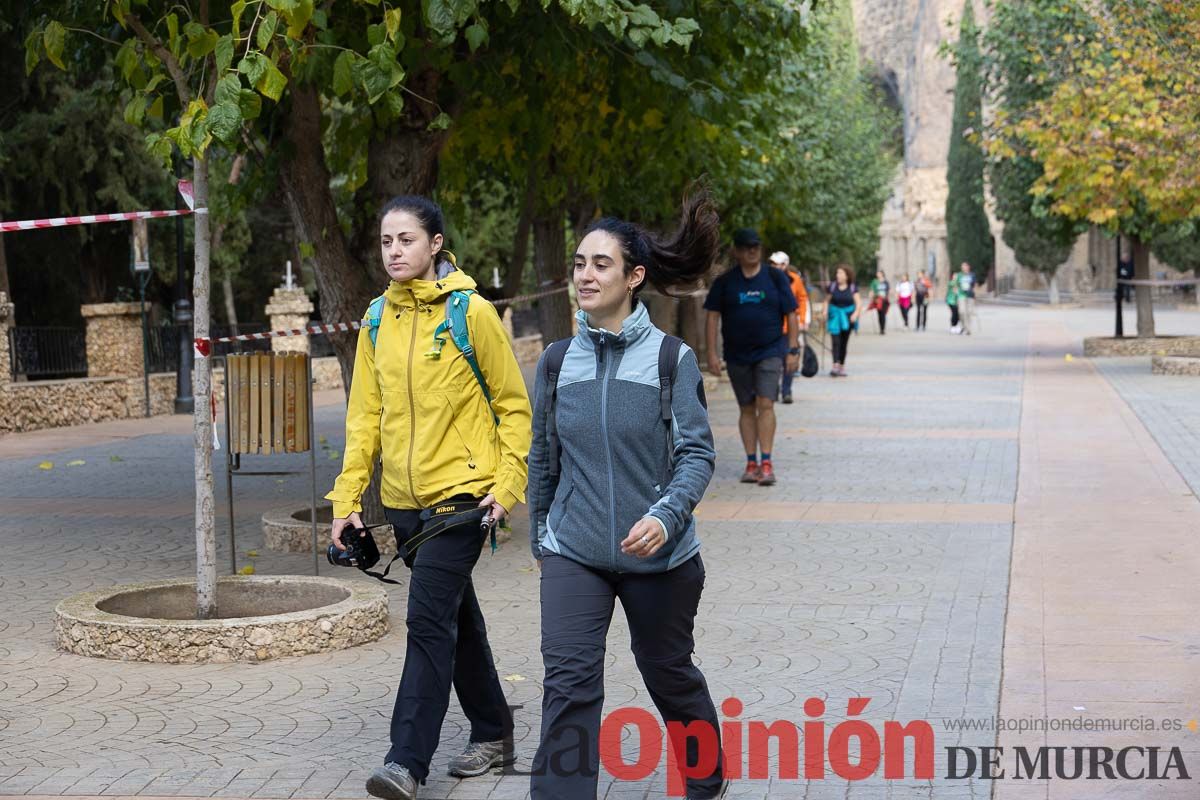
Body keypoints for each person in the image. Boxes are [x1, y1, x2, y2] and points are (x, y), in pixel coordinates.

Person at [327, 196, 533, 800]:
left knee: (425, 620)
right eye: (387, 241)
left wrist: (507, 485)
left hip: (462, 496)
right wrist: (347, 500)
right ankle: (493, 731)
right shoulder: (375, 320)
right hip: (401, 501)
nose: (395, 251)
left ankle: (406, 761)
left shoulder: (472, 313)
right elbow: (364, 416)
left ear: (436, 244)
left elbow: (514, 407)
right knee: (454, 617)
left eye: (407, 240)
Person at [527, 190, 729, 800]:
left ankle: (705, 777)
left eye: (601, 264)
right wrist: (543, 536)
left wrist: (666, 518)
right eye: (580, 263)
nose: (585, 275)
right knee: (569, 682)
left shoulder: (672, 359)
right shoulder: (559, 361)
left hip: (658, 557)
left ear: (634, 276)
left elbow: (696, 454)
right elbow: (544, 455)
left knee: (668, 674)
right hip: (575, 550)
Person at [704, 229, 800, 486]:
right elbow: (712, 316)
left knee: (766, 404)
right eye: (746, 247)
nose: (751, 251)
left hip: (770, 351)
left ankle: (766, 462)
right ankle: (751, 462)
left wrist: (793, 349)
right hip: (737, 354)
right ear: (736, 250)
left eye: (756, 246)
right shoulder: (725, 282)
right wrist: (712, 353)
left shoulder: (776, 278)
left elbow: (791, 313)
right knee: (746, 407)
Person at [769, 251, 809, 404]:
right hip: (771, 327)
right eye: (772, 263)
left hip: (790, 328)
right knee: (773, 361)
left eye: (777, 263)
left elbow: (803, 299)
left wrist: (803, 319)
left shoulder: (795, 279)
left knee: (789, 359)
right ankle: (773, 389)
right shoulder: (765, 278)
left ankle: (787, 391)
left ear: (784, 265)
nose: (774, 266)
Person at [824, 264, 862, 377]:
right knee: (835, 341)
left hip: (848, 318)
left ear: (847, 276)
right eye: (837, 273)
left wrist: (855, 314)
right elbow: (826, 301)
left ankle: (841, 365)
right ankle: (835, 365)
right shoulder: (832, 286)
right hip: (835, 317)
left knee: (843, 343)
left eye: (841, 273)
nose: (838, 275)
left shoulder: (852, 287)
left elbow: (858, 303)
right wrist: (825, 311)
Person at [955, 262, 977, 335]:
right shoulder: (959, 275)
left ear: (968, 267)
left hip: (970, 295)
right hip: (961, 295)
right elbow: (956, 285)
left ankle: (968, 329)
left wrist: (974, 294)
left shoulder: (972, 275)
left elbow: (974, 285)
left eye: (964, 266)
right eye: (962, 266)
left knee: (969, 312)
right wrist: (956, 293)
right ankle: (963, 326)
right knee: (962, 312)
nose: (963, 268)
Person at [869, 270, 890, 334]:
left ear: (882, 274)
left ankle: (883, 329)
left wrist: (887, 298)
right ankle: (881, 328)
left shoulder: (886, 282)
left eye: (879, 273)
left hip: (884, 299)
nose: (877, 274)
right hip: (877, 299)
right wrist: (871, 297)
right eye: (877, 273)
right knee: (879, 314)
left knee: (883, 314)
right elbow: (872, 290)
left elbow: (888, 290)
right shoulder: (875, 281)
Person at [946, 269, 961, 333]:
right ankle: (953, 326)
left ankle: (956, 326)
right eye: (954, 276)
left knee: (958, 314)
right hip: (951, 300)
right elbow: (955, 289)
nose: (955, 277)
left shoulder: (958, 283)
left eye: (957, 276)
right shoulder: (951, 282)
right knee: (954, 313)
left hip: (957, 301)